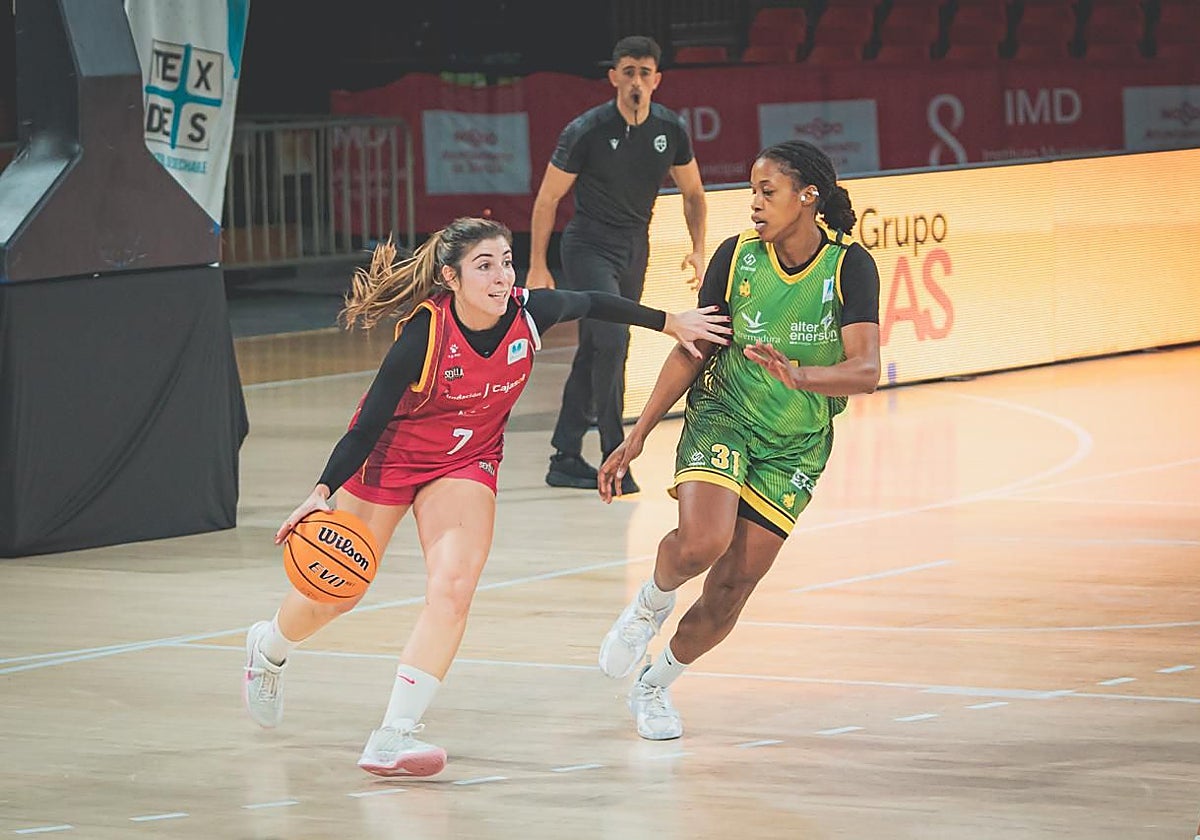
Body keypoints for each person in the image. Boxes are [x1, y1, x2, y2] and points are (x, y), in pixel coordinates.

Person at [241, 217, 730, 777]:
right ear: (451, 277)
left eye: (506, 262)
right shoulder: (423, 335)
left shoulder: (528, 313)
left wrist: (671, 322)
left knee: (452, 591)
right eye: (485, 266)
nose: (502, 277)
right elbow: (367, 424)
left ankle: (393, 736)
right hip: (391, 459)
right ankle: (270, 648)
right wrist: (321, 491)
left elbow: (594, 299)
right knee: (337, 593)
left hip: (465, 462)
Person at [593, 140, 881, 741]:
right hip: (725, 413)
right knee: (703, 542)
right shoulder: (736, 257)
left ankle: (654, 687)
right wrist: (639, 432)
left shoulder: (849, 267)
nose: (754, 203)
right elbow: (692, 347)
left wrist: (801, 376)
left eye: (766, 192)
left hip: (796, 445)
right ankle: (648, 604)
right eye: (752, 191)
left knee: (731, 587)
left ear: (809, 198)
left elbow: (865, 371)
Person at [526, 34, 708, 495]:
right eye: (628, 72)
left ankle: (565, 456)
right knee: (612, 339)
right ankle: (614, 453)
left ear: (657, 80)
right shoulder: (586, 129)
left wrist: (698, 248)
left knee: (595, 348)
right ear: (613, 77)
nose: (636, 81)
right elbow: (548, 198)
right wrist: (536, 266)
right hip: (588, 245)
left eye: (645, 73)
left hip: (634, 246)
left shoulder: (670, 128)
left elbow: (693, 193)